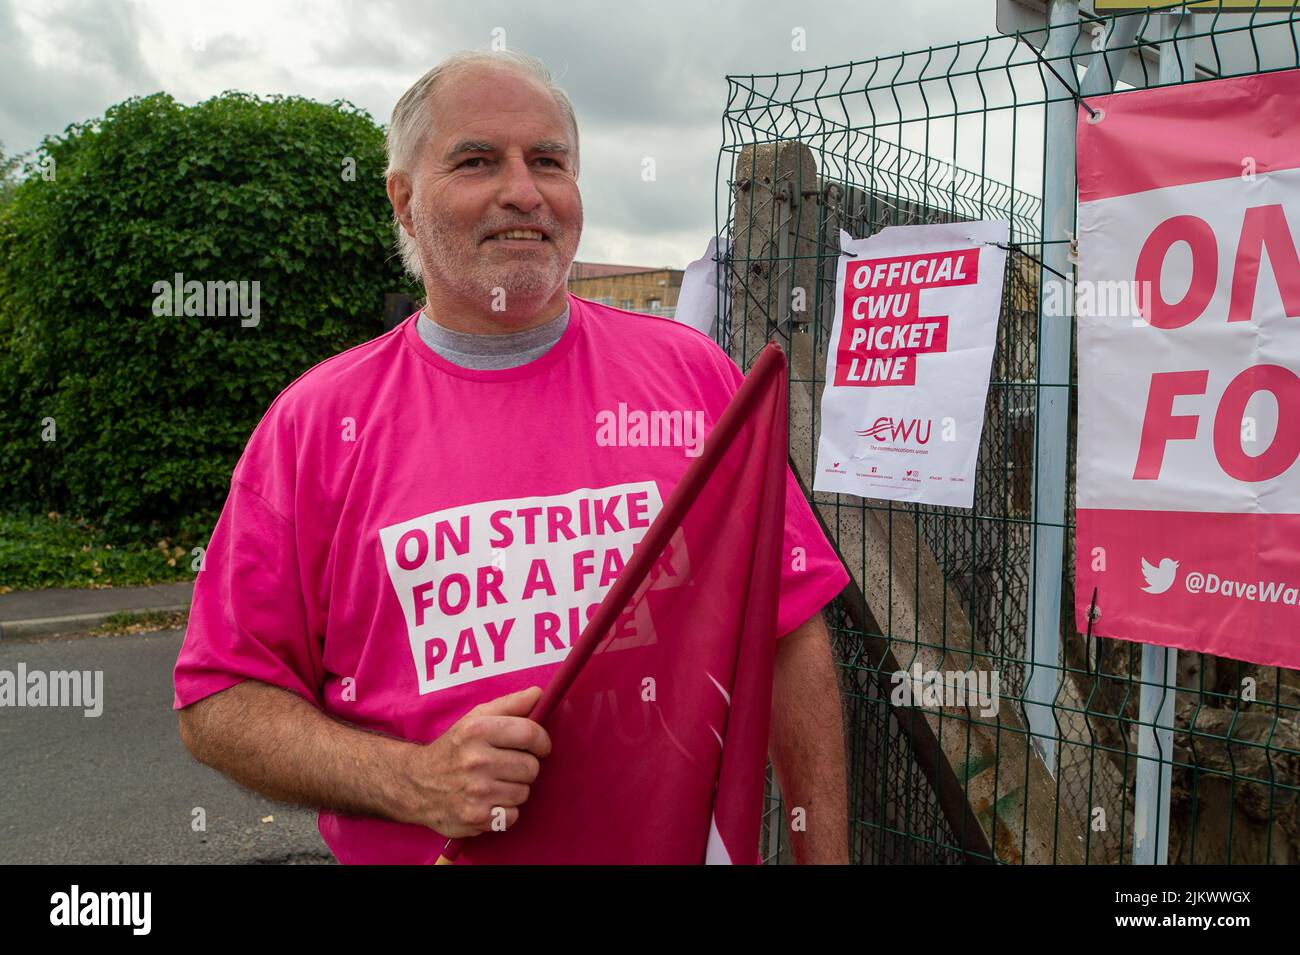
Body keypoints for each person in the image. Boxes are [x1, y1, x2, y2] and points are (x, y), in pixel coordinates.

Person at [174, 47, 851, 864]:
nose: (523, 192)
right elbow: (220, 696)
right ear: (403, 201)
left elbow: (788, 631)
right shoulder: (314, 424)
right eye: (476, 161)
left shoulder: (693, 379)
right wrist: (414, 779)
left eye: (549, 162)